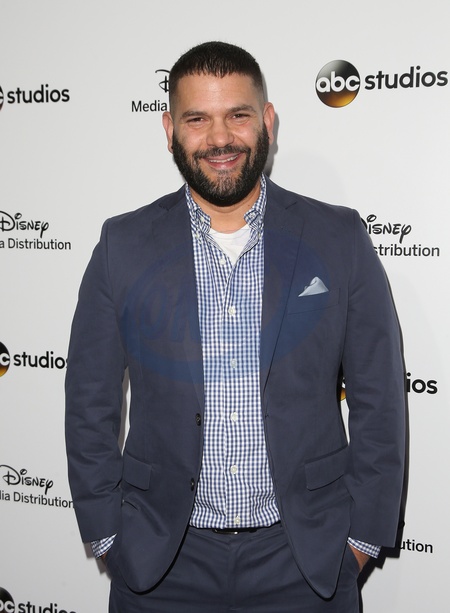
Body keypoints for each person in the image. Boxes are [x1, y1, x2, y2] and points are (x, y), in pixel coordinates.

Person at [65, 41, 405, 612]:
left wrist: (360, 539)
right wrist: (107, 535)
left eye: (238, 115)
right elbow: (88, 401)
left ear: (267, 121)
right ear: (170, 129)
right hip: (159, 563)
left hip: (306, 559)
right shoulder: (122, 245)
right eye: (197, 119)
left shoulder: (338, 237)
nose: (219, 138)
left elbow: (381, 397)